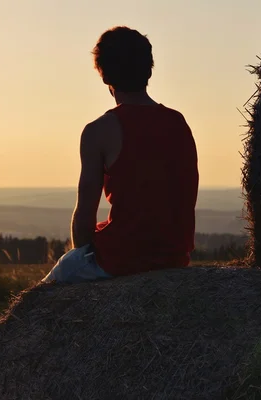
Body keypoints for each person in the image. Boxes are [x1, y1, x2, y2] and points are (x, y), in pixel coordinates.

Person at [42, 26, 199, 284]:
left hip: (122, 259)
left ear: (104, 76)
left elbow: (84, 215)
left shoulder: (98, 131)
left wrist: (82, 253)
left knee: (51, 288)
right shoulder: (178, 123)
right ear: (149, 69)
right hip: (174, 258)